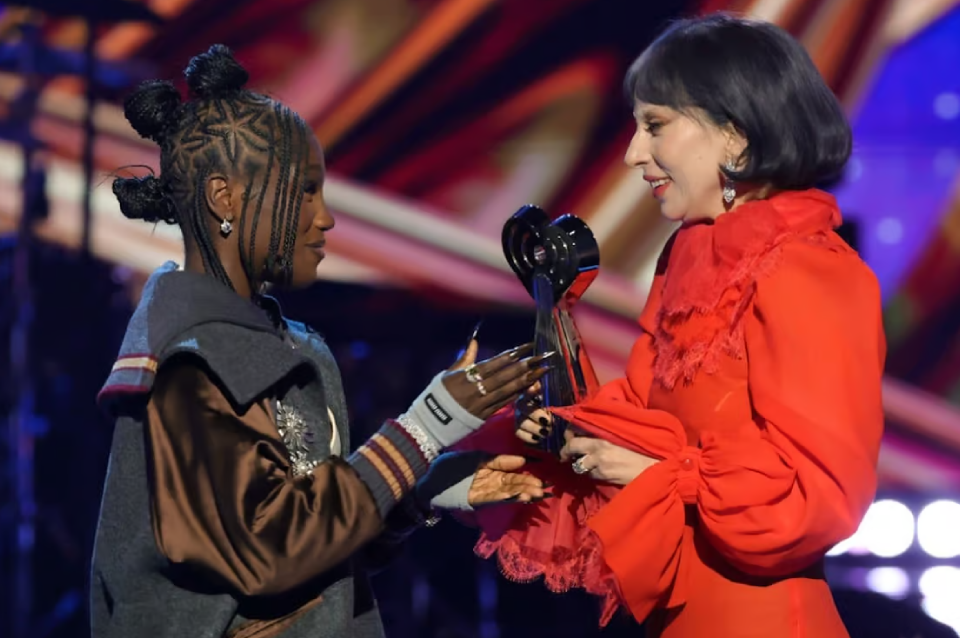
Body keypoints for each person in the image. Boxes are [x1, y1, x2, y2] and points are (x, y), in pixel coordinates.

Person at [90, 45, 552, 638]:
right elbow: (269, 551)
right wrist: (426, 427)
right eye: (305, 191)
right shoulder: (189, 368)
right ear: (224, 197)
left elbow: (319, 554)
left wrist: (420, 490)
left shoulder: (286, 346)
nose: (325, 217)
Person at [462, 14, 886, 638]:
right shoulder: (688, 257)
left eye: (655, 125)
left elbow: (817, 497)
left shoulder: (808, 269)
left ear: (735, 136)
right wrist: (557, 428)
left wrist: (666, 476)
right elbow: (642, 424)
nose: (632, 153)